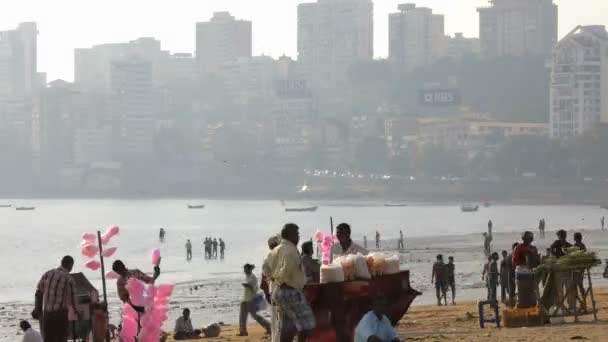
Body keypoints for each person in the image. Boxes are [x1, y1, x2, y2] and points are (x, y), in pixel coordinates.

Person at [269, 223, 315, 342]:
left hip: (280, 291)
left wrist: (275, 281)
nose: (299, 237)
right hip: (290, 291)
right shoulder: (291, 251)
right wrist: (281, 281)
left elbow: (266, 267)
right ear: (290, 235)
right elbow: (285, 271)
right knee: (308, 325)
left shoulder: (278, 249)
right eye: (297, 234)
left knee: (289, 325)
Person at [32, 256, 79, 342]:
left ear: (61, 263)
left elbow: (38, 293)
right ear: (70, 265)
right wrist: (78, 312)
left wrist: (37, 309)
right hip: (60, 315)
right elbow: (74, 301)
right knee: (61, 339)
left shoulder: (48, 274)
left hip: (47, 314)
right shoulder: (69, 279)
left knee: (48, 339)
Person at [239, 264, 271, 336]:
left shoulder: (253, 277)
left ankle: (268, 326)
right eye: (244, 269)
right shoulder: (247, 276)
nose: (244, 270)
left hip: (251, 299)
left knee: (255, 316)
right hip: (245, 299)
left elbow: (253, 288)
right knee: (242, 316)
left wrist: (247, 285)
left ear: (249, 269)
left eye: (245, 269)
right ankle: (243, 331)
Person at [512, 231, 539, 308]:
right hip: (521, 274)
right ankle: (521, 312)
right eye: (527, 237)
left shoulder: (533, 248)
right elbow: (514, 262)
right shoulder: (518, 247)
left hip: (531, 274)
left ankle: (531, 312)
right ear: (523, 238)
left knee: (531, 295)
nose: (529, 239)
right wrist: (524, 262)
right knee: (521, 295)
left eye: (530, 237)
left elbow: (537, 262)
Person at [261, 235, 281, 342]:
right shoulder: (279, 256)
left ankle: (275, 339)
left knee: (274, 317)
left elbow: (265, 274)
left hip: (272, 289)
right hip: (279, 289)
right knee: (280, 318)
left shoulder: (268, 257)